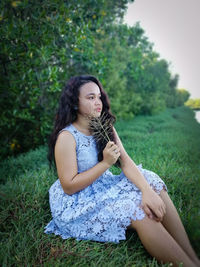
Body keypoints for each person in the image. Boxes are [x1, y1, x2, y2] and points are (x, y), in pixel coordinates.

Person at [45, 75, 199, 267]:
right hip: (78, 201)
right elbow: (69, 186)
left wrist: (147, 191)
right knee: (136, 208)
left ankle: (192, 257)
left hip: (101, 185)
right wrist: (105, 164)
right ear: (75, 103)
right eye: (90, 98)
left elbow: (126, 162)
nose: (98, 102)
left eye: (99, 97)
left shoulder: (104, 126)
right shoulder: (67, 137)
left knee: (151, 180)